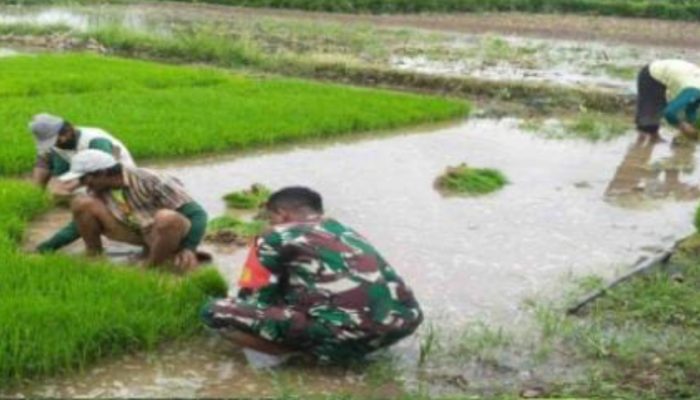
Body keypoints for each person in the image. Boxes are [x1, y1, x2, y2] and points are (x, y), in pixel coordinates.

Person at [201, 187, 423, 364]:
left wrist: (253, 319)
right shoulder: (342, 229)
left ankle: (295, 356)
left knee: (216, 311)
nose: (270, 223)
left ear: (281, 214)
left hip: (346, 331)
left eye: (270, 217)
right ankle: (349, 349)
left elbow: (255, 291)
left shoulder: (275, 234)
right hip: (402, 323)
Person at [59, 150, 207, 272]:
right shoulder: (99, 188)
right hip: (139, 229)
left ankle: (152, 268)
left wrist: (189, 247)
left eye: (84, 179)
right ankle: (95, 256)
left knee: (166, 218)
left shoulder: (150, 179)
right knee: (81, 203)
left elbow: (198, 214)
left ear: (102, 173)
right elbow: (77, 225)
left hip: (168, 232)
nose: (83, 185)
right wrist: (45, 248)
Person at [28, 113, 136, 253]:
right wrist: (35, 194)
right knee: (74, 197)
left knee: (86, 211)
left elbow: (104, 173)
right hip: (92, 177)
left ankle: (93, 252)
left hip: (116, 183)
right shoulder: (59, 142)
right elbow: (44, 160)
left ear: (69, 131)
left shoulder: (96, 142)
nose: (55, 144)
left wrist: (46, 247)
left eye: (56, 140)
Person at [635, 59, 700, 142]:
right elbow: (669, 112)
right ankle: (643, 139)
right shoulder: (695, 90)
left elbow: (691, 109)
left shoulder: (696, 91)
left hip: (671, 72)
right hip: (651, 74)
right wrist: (682, 125)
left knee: (657, 106)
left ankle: (652, 137)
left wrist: (692, 124)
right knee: (651, 108)